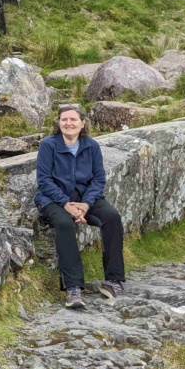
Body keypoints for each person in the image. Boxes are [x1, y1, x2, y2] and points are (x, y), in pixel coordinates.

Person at [35, 104, 125, 309]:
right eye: (64, 119)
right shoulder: (48, 145)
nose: (68, 123)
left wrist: (85, 204)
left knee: (111, 217)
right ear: (58, 123)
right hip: (53, 199)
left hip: (84, 198)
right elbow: (44, 180)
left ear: (83, 123)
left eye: (73, 119)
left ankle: (113, 280)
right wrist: (66, 205)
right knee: (65, 224)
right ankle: (73, 288)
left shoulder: (91, 146)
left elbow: (99, 179)